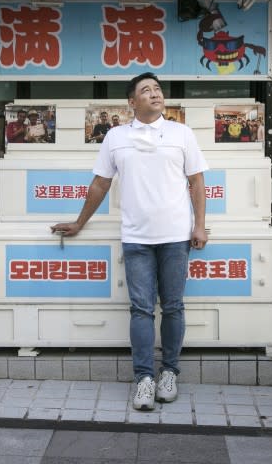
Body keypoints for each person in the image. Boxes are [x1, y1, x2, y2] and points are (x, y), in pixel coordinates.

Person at [51, 72, 208, 412]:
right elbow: (99, 185)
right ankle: (144, 379)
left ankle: (169, 373)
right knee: (140, 309)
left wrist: (200, 226)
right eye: (146, 90)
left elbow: (196, 182)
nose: (155, 94)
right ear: (132, 102)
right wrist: (79, 223)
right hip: (136, 237)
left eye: (158, 89)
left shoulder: (181, 133)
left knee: (174, 307)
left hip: (176, 236)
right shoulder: (116, 136)